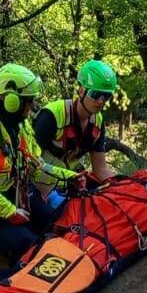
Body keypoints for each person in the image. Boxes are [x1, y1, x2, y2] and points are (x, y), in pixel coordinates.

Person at [0, 64, 78, 263]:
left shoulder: (21, 125)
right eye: (29, 101)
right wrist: (9, 213)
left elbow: (37, 167)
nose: (32, 106)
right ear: (12, 101)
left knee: (59, 223)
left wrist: (71, 178)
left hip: (17, 196)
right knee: (29, 248)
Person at [32, 59, 120, 196]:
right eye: (96, 95)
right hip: (40, 187)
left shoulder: (97, 122)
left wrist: (125, 183)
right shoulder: (51, 116)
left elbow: (101, 170)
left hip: (73, 184)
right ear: (81, 91)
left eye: (107, 97)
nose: (101, 102)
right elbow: (30, 161)